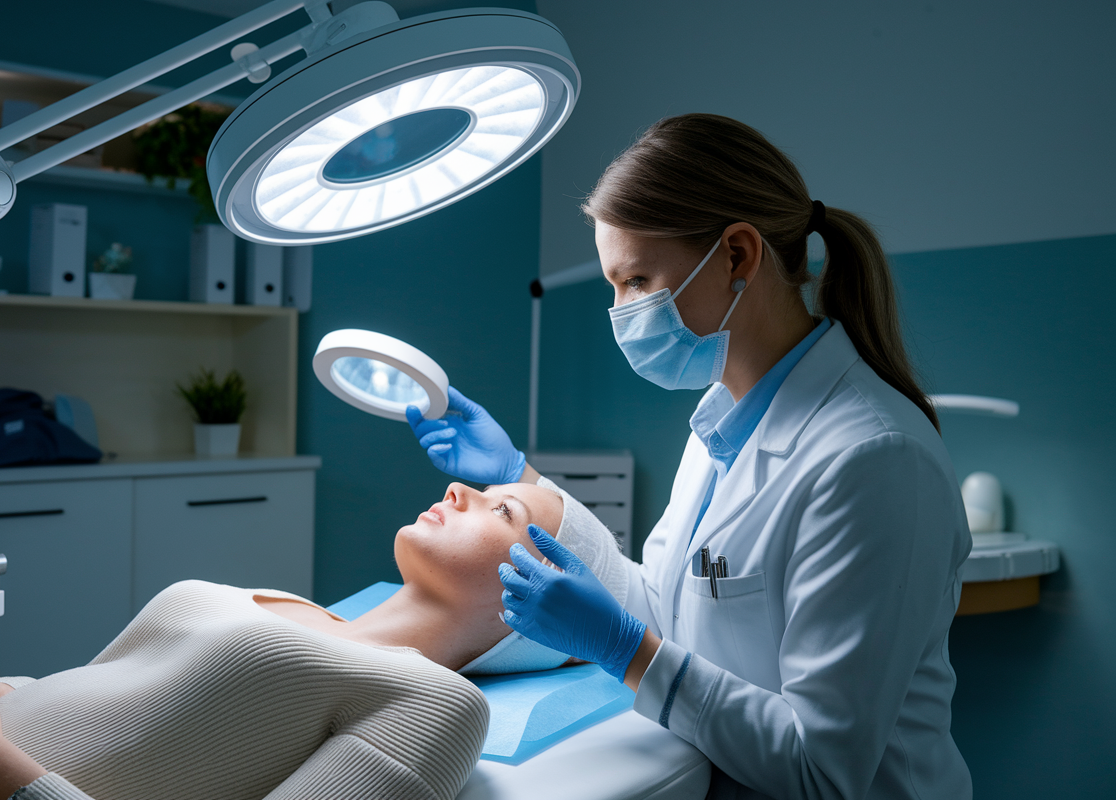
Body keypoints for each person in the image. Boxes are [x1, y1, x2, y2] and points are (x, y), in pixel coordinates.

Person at [406, 114, 974, 799]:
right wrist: (520, 480)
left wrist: (628, 650)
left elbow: (822, 769)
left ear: (737, 256)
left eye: (637, 280)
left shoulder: (873, 461)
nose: (619, 311)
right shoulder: (720, 424)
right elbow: (667, 602)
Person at [0, 479, 623, 800]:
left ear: (536, 603)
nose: (460, 489)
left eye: (504, 512)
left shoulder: (433, 703)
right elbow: (125, 700)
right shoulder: (286, 602)